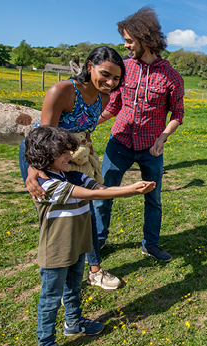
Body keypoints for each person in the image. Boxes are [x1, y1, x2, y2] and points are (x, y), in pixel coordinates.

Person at [25, 126, 156, 346]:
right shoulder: (45, 184)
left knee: (74, 287)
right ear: (46, 155)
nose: (70, 156)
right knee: (51, 298)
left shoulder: (72, 175)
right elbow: (87, 195)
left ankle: (73, 323)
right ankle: (46, 345)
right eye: (64, 153)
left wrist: (130, 188)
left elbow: (100, 189)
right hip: (56, 251)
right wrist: (130, 190)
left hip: (78, 245)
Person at [23, 46, 126, 290]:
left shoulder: (104, 98)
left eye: (116, 78)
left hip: (71, 157)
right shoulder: (62, 91)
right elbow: (43, 137)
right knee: (57, 220)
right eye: (105, 74)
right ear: (89, 66)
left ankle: (95, 272)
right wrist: (33, 171)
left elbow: (85, 128)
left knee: (85, 214)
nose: (110, 82)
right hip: (43, 156)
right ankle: (54, 281)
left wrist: (87, 153)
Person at [93, 6, 184, 262]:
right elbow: (113, 106)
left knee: (153, 199)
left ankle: (151, 244)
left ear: (145, 39)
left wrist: (162, 138)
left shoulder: (172, 77)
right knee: (103, 193)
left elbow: (177, 114)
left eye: (130, 41)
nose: (127, 47)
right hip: (118, 143)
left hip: (150, 149)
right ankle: (98, 241)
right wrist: (90, 125)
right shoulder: (124, 68)